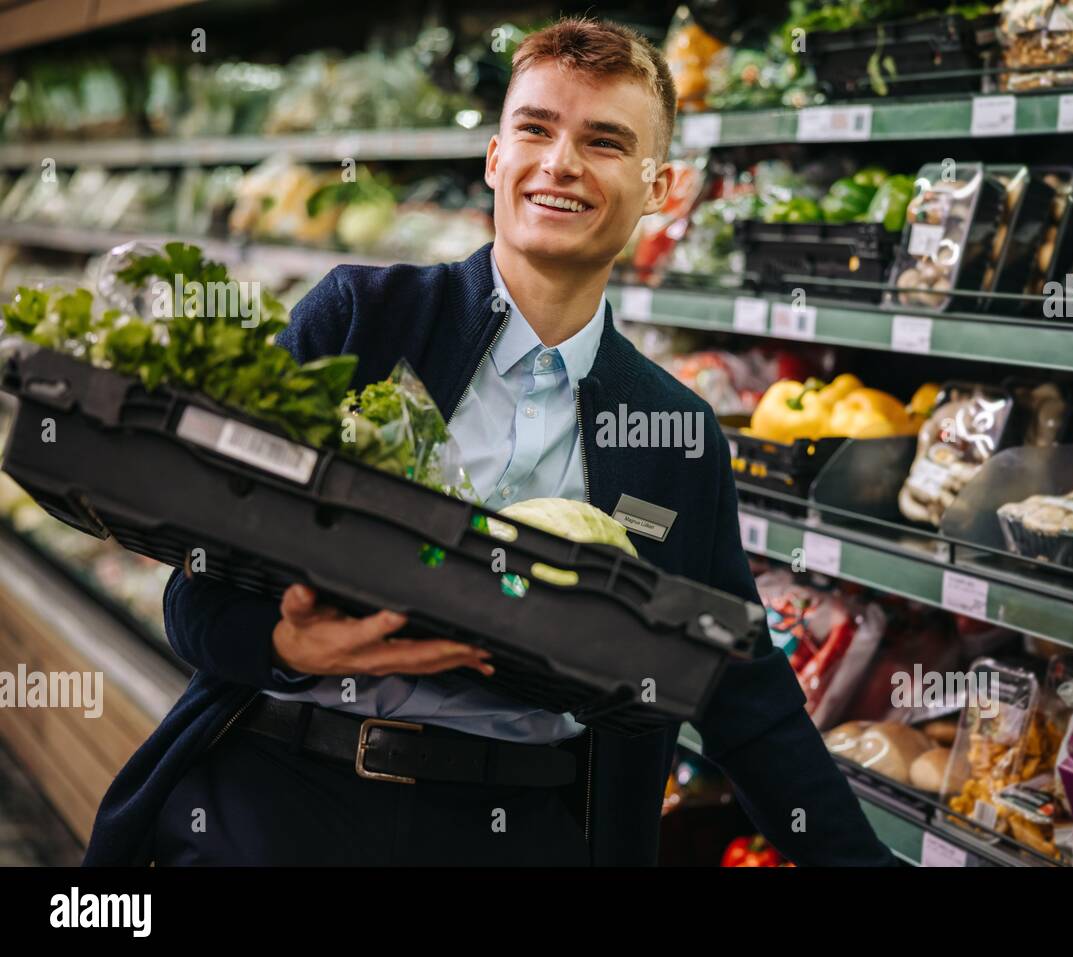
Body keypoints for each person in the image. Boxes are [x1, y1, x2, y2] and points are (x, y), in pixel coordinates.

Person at [84, 17, 896, 867]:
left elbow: (743, 691)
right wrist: (287, 646)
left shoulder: (677, 434)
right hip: (283, 793)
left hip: (520, 826)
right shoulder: (363, 318)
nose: (561, 163)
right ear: (495, 158)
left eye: (605, 141)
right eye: (535, 129)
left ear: (661, 186)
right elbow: (197, 591)